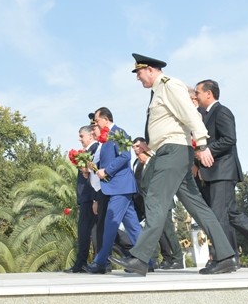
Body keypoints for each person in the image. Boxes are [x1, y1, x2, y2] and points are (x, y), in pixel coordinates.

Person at [110, 53, 237, 276]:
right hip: (170, 150)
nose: (138, 78)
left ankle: (140, 258)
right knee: (197, 206)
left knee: (156, 201)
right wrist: (148, 147)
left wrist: (202, 144)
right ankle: (226, 255)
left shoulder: (170, 85)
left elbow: (190, 114)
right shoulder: (158, 91)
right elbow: (167, 125)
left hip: (174, 151)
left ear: (150, 69)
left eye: (139, 73)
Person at [193, 80, 248, 270]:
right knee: (233, 215)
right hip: (213, 172)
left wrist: (207, 150)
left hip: (223, 172)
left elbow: (229, 139)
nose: (196, 95)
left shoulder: (221, 111)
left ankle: (222, 259)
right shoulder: (206, 114)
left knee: (218, 217)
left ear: (209, 94)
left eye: (198, 92)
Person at [85, 108, 140, 273]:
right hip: (116, 187)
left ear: (105, 119)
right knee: (133, 226)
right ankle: (148, 260)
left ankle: (100, 261)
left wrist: (106, 170)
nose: (96, 123)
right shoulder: (106, 138)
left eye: (97, 120)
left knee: (110, 222)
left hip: (120, 187)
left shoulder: (119, 132)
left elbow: (125, 156)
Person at [132, 137, 183, 270]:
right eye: (134, 147)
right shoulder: (136, 164)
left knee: (168, 231)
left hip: (162, 202)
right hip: (147, 203)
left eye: (138, 146)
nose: (135, 150)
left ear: (144, 147)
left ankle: (178, 258)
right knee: (154, 231)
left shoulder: (155, 161)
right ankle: (152, 260)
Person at [65, 125, 98, 273]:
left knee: (86, 230)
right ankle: (89, 262)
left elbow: (95, 171)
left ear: (90, 135)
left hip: (90, 196)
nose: (79, 139)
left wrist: (95, 199)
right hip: (86, 197)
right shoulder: (87, 151)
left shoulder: (96, 148)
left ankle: (82, 263)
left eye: (81, 136)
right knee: (90, 230)